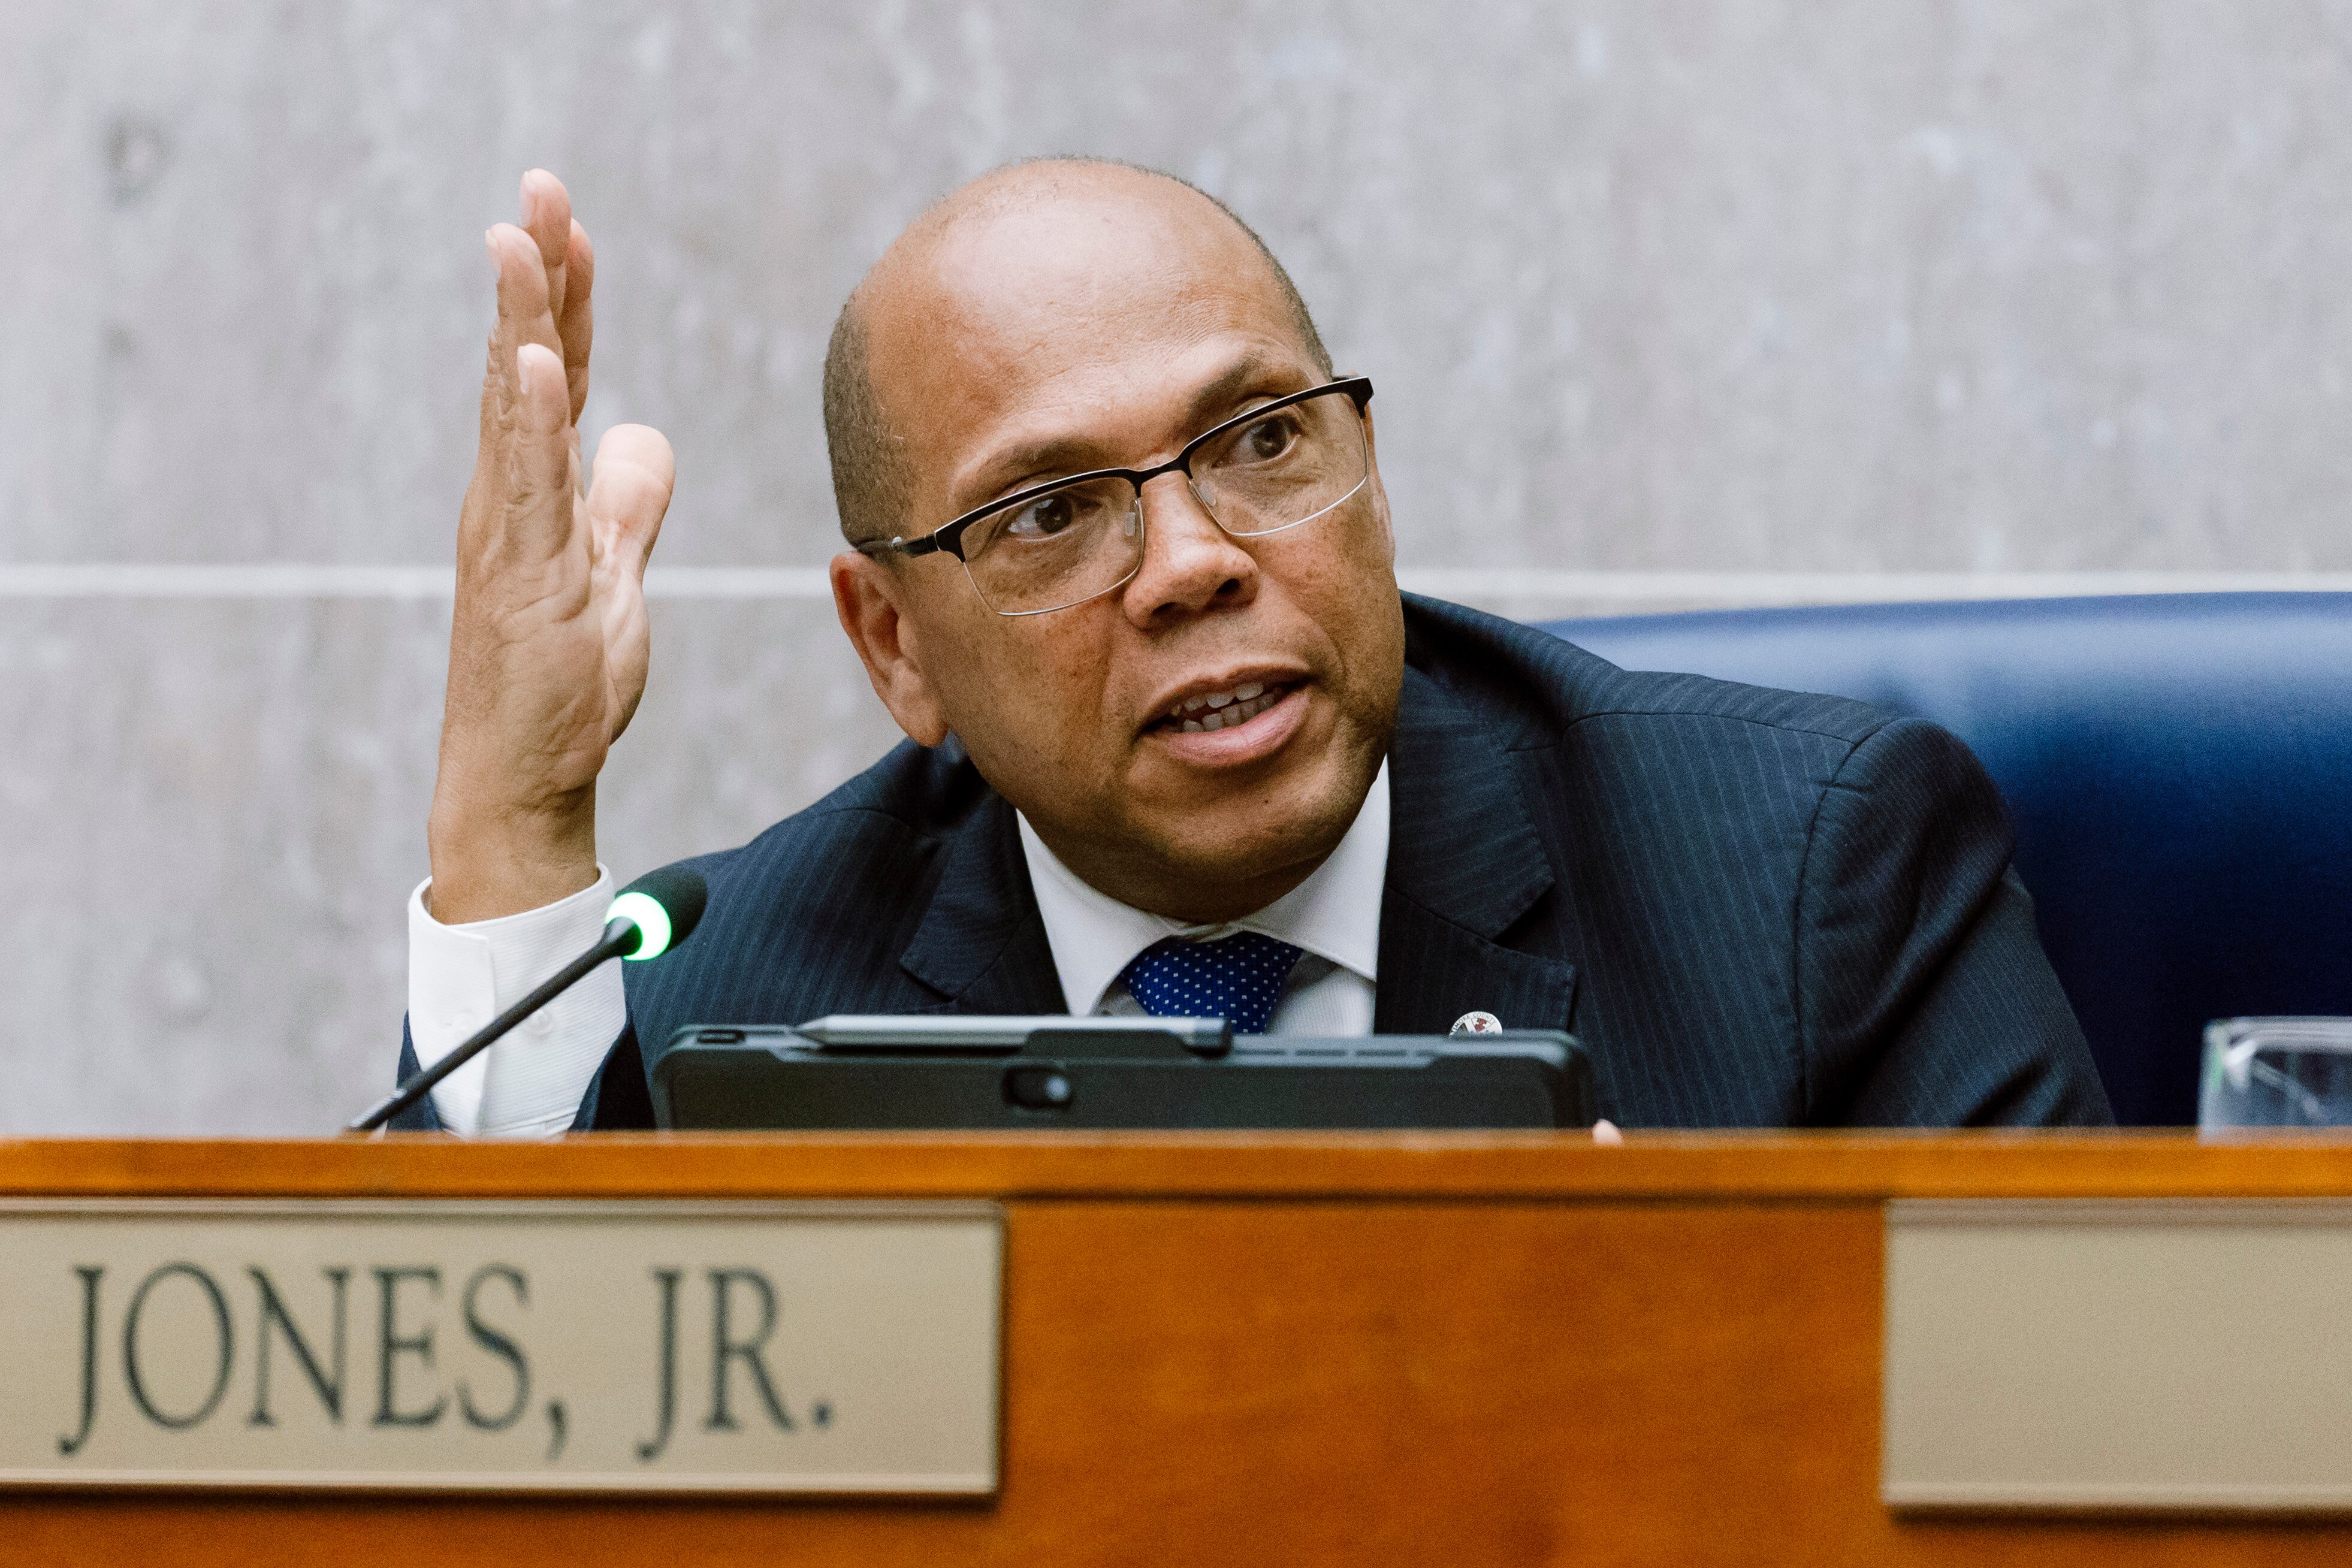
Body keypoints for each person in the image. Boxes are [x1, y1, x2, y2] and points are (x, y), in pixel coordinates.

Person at [395, 161, 2112, 1135]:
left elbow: (2058, 1460)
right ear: (895, 647)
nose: (1198, 563)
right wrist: (510, 829)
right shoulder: (724, 1004)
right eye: (1054, 512)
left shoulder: (1808, 882)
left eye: (1266, 443)